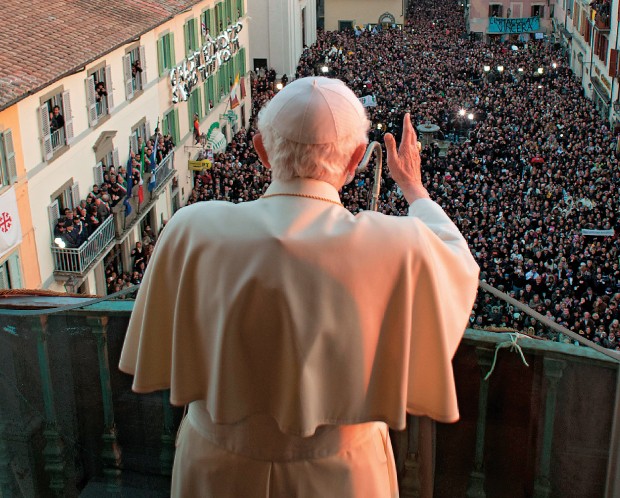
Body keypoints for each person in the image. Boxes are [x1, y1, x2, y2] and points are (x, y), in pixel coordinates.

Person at [119, 77, 479, 497]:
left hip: (215, 469)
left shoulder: (190, 228)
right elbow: (458, 260)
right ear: (357, 159)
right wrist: (413, 187)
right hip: (342, 477)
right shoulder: (397, 244)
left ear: (261, 151)